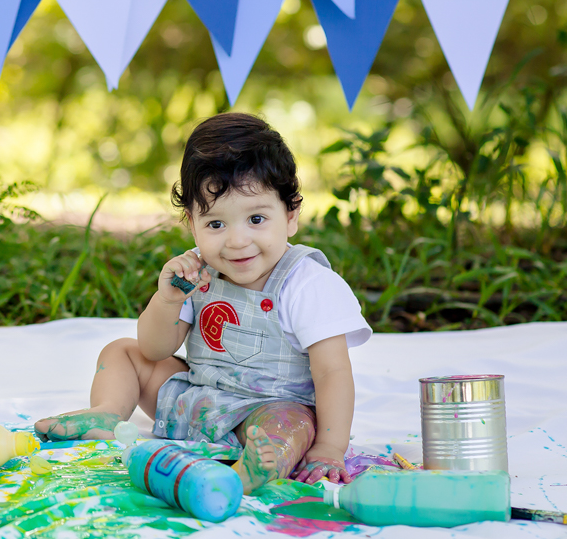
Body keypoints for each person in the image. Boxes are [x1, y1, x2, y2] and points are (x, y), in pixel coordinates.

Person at [34, 112, 372, 491]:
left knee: (291, 425)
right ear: (191, 223)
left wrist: (329, 446)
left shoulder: (306, 283)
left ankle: (252, 469)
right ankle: (109, 413)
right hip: (196, 401)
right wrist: (167, 301)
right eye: (215, 224)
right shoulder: (196, 272)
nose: (237, 240)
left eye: (256, 219)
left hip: (268, 411)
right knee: (123, 352)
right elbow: (154, 348)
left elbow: (332, 373)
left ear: (291, 215)